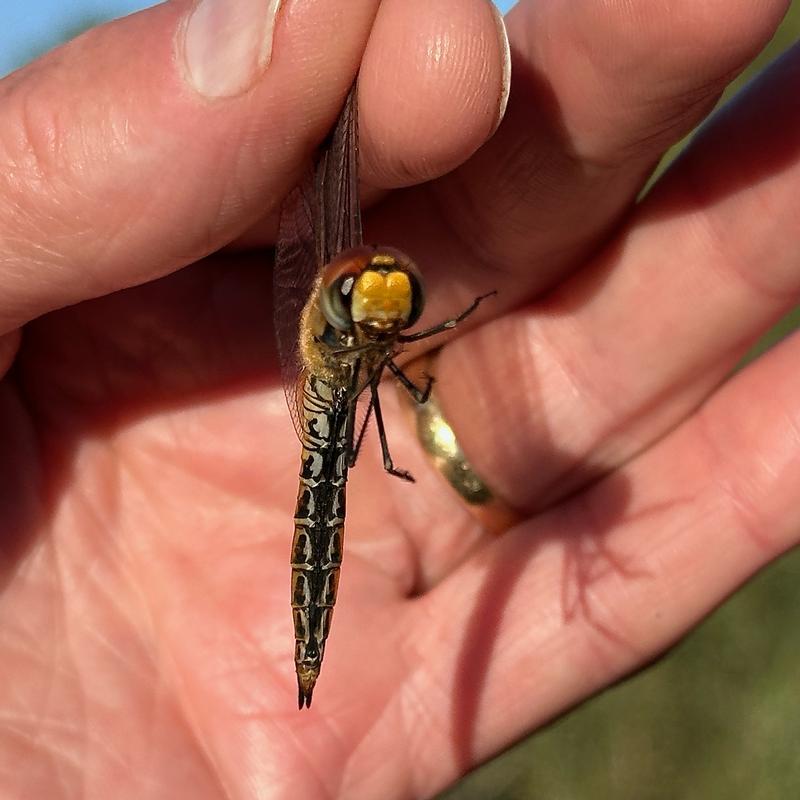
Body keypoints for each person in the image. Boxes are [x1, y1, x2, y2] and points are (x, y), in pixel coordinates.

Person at [0, 0, 797, 797]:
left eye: (398, 298)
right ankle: (307, 650)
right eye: (368, 299)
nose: (384, 302)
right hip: (334, 434)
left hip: (359, 406)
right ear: (334, 307)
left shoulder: (370, 328)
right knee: (328, 494)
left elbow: (399, 358)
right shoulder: (336, 340)